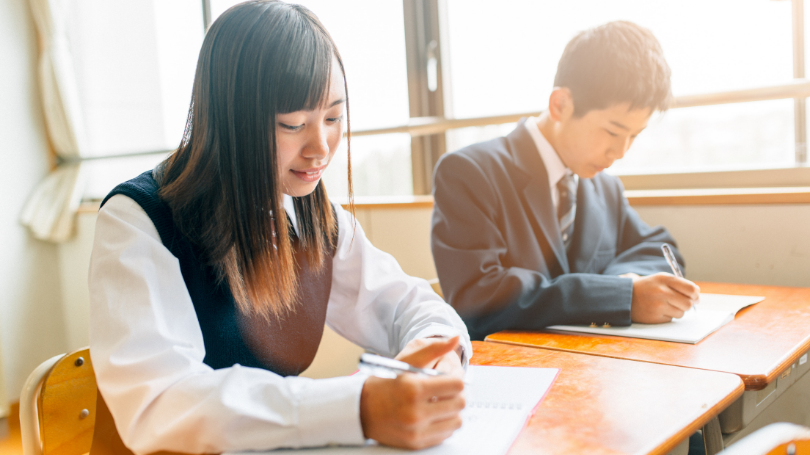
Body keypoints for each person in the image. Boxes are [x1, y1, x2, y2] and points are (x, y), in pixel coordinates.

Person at [88, 2, 471, 453]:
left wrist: (438, 356)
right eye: (293, 124)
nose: (321, 149)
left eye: (333, 118)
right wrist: (358, 407)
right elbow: (161, 402)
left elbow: (404, 303)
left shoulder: (311, 213)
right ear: (231, 119)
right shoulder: (139, 220)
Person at [431, 21, 700, 341]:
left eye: (634, 135)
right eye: (613, 131)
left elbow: (657, 248)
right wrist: (618, 296)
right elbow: (477, 296)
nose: (620, 151)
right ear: (560, 104)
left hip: (596, 370)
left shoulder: (604, 188)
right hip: (510, 371)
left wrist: (622, 286)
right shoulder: (469, 173)